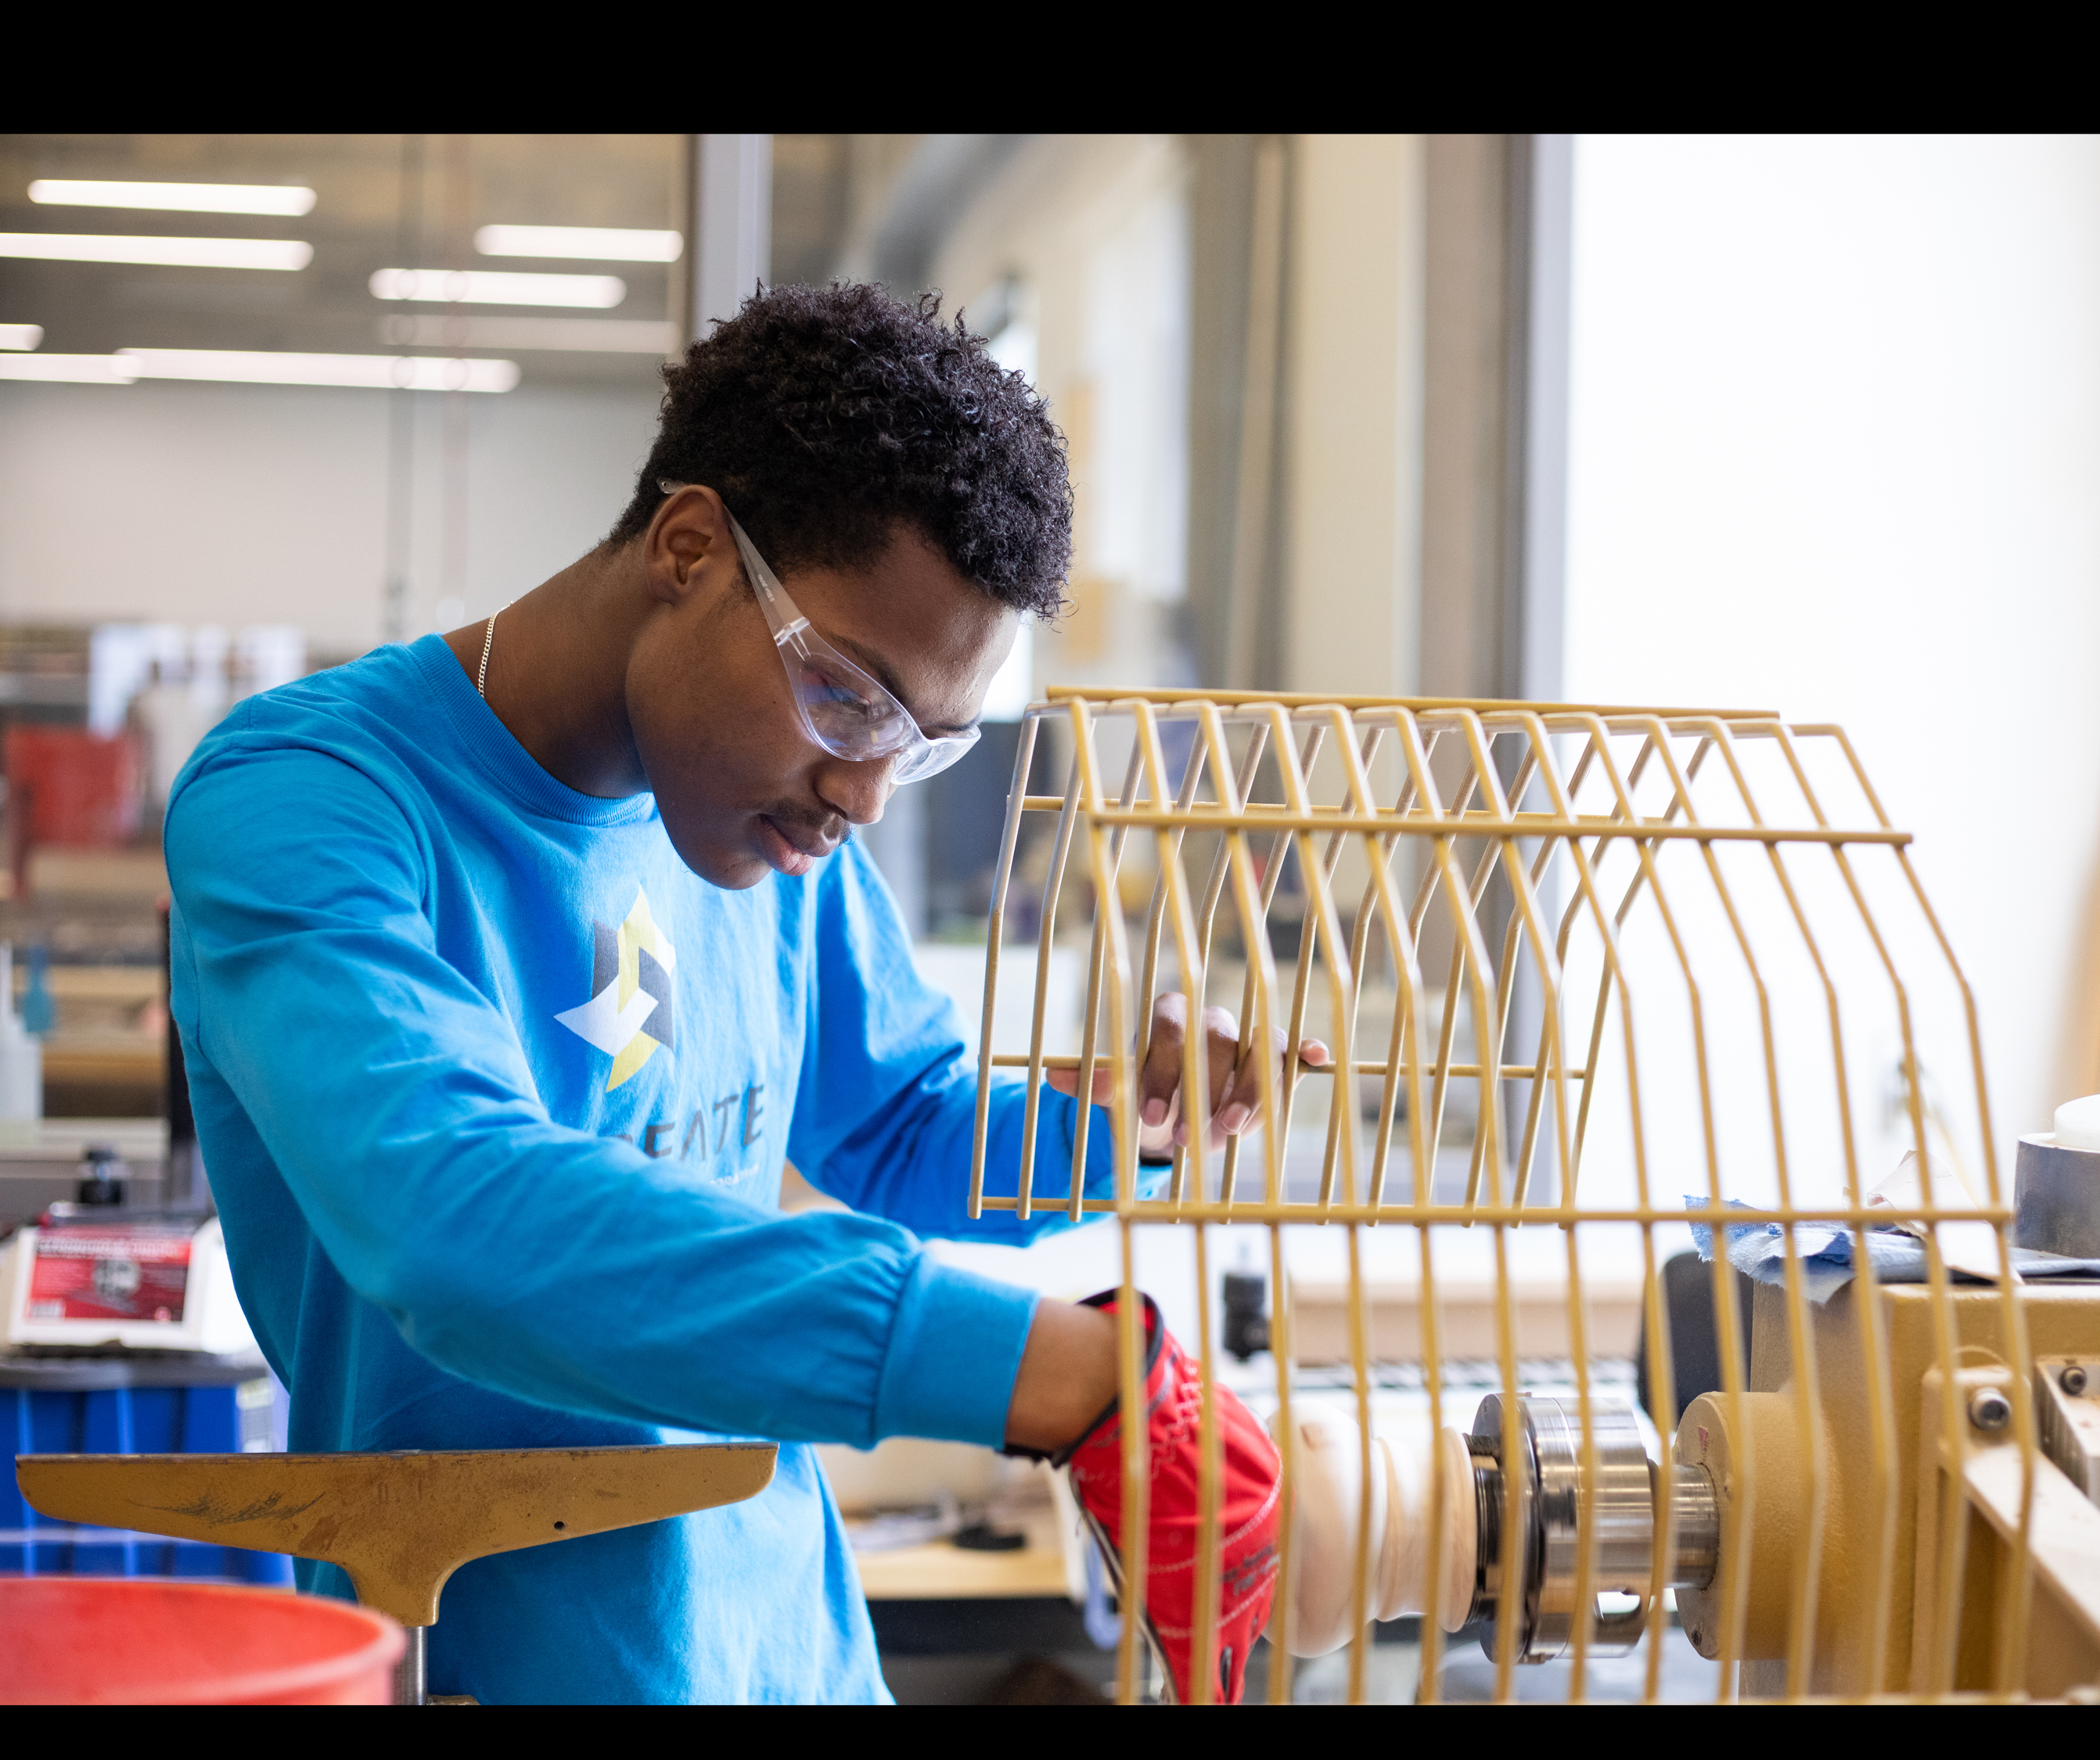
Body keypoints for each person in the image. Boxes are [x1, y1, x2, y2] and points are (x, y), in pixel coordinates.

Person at [164, 283, 1316, 1704]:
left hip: (793, 1653)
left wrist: (1125, 1124)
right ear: (689, 546)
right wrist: (1052, 1370)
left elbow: (899, 1121)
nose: (864, 793)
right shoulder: (312, 800)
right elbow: (449, 1217)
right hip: (501, 1659)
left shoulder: (769, 821)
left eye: (925, 745)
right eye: (849, 695)